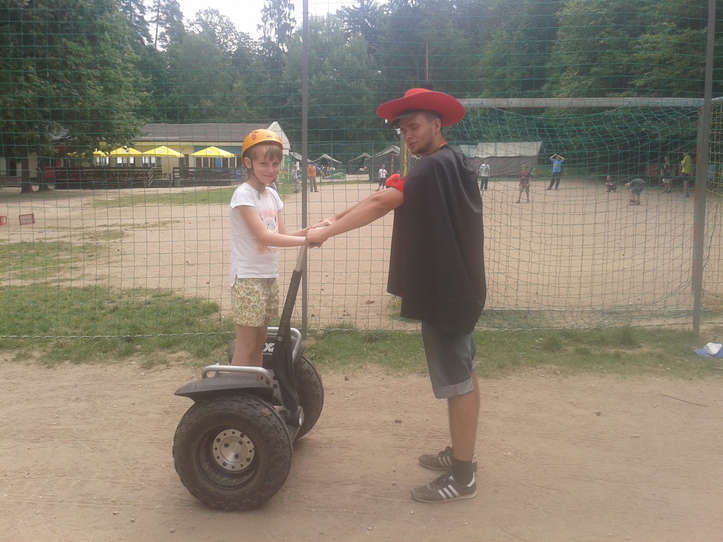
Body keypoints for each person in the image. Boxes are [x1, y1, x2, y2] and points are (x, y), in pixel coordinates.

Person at [307, 88, 485, 504]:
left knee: (458, 381)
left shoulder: (430, 169)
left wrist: (327, 230)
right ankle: (460, 453)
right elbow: (386, 196)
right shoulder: (453, 161)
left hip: (446, 292)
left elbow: (380, 200)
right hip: (460, 286)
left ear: (437, 124)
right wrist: (331, 219)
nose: (408, 134)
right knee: (465, 372)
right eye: (403, 129)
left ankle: (463, 476)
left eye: (415, 126)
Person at [229, 129, 307, 366]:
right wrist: (307, 240)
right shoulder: (243, 195)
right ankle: (237, 387)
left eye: (275, 164)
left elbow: (282, 235)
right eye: (263, 163)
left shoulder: (272, 195)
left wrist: (312, 231)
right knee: (246, 344)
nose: (271, 169)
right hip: (248, 278)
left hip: (268, 276)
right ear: (248, 163)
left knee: (261, 341)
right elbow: (264, 237)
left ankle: (255, 384)